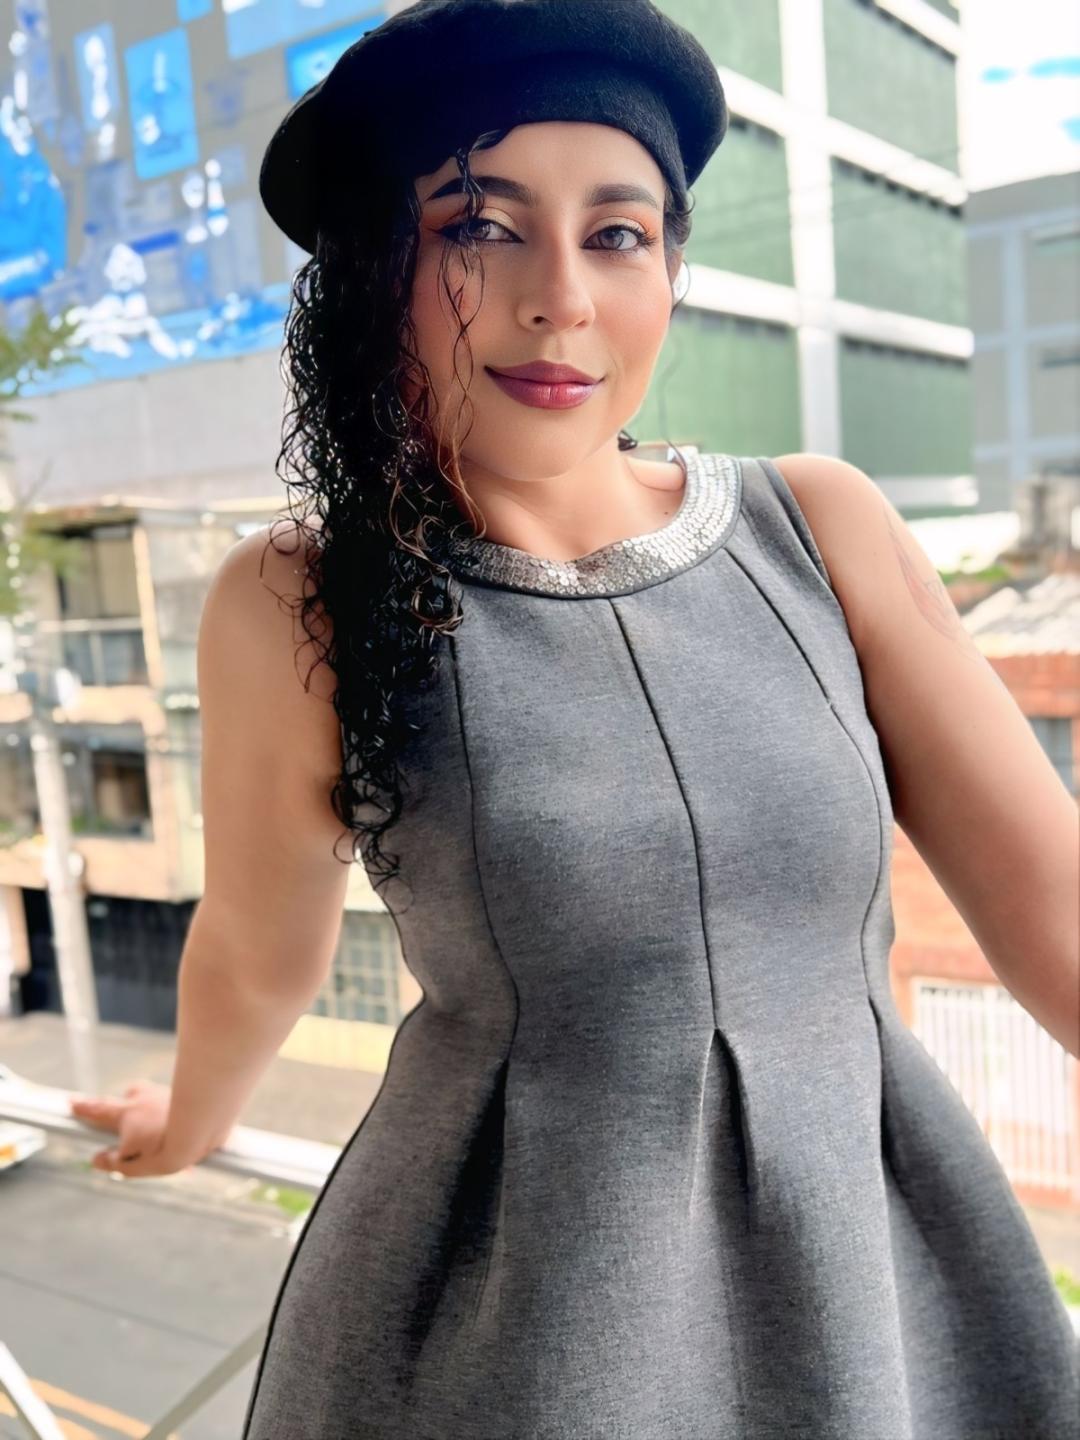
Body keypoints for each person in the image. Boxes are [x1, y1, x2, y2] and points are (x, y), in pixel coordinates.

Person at [69, 2, 1080, 1436]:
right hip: (514, 1316)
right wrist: (186, 1124)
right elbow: (254, 949)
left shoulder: (822, 525)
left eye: (616, 233)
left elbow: (1058, 914)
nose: (561, 299)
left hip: (871, 1276)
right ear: (373, 271)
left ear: (668, 268)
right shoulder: (299, 598)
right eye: (479, 226)